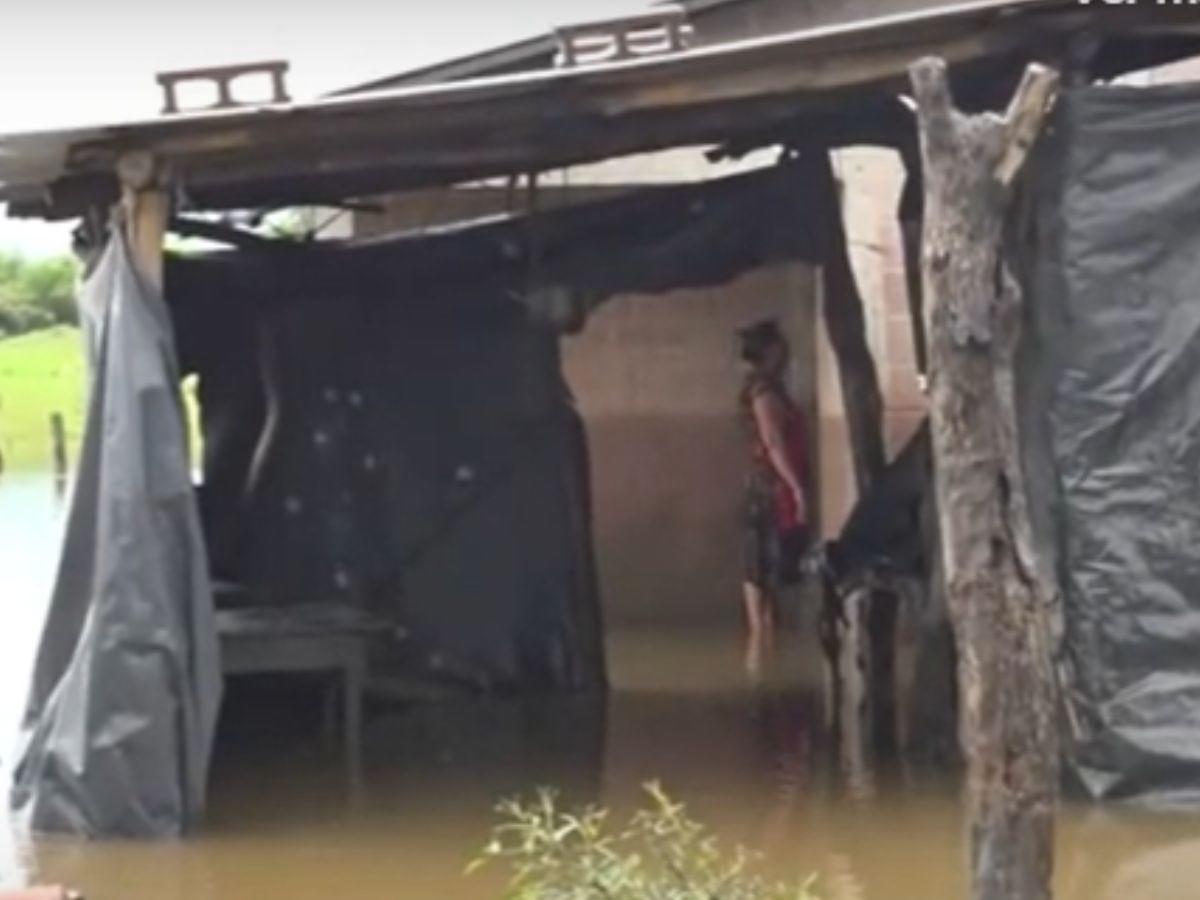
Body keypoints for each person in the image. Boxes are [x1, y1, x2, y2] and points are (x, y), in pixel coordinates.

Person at [736, 319, 810, 675]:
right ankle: (762, 645)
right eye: (779, 348)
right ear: (768, 353)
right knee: (762, 567)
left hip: (767, 485)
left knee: (767, 568)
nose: (786, 353)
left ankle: (766, 649)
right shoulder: (764, 392)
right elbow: (774, 442)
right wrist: (796, 486)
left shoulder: (765, 388)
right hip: (770, 489)